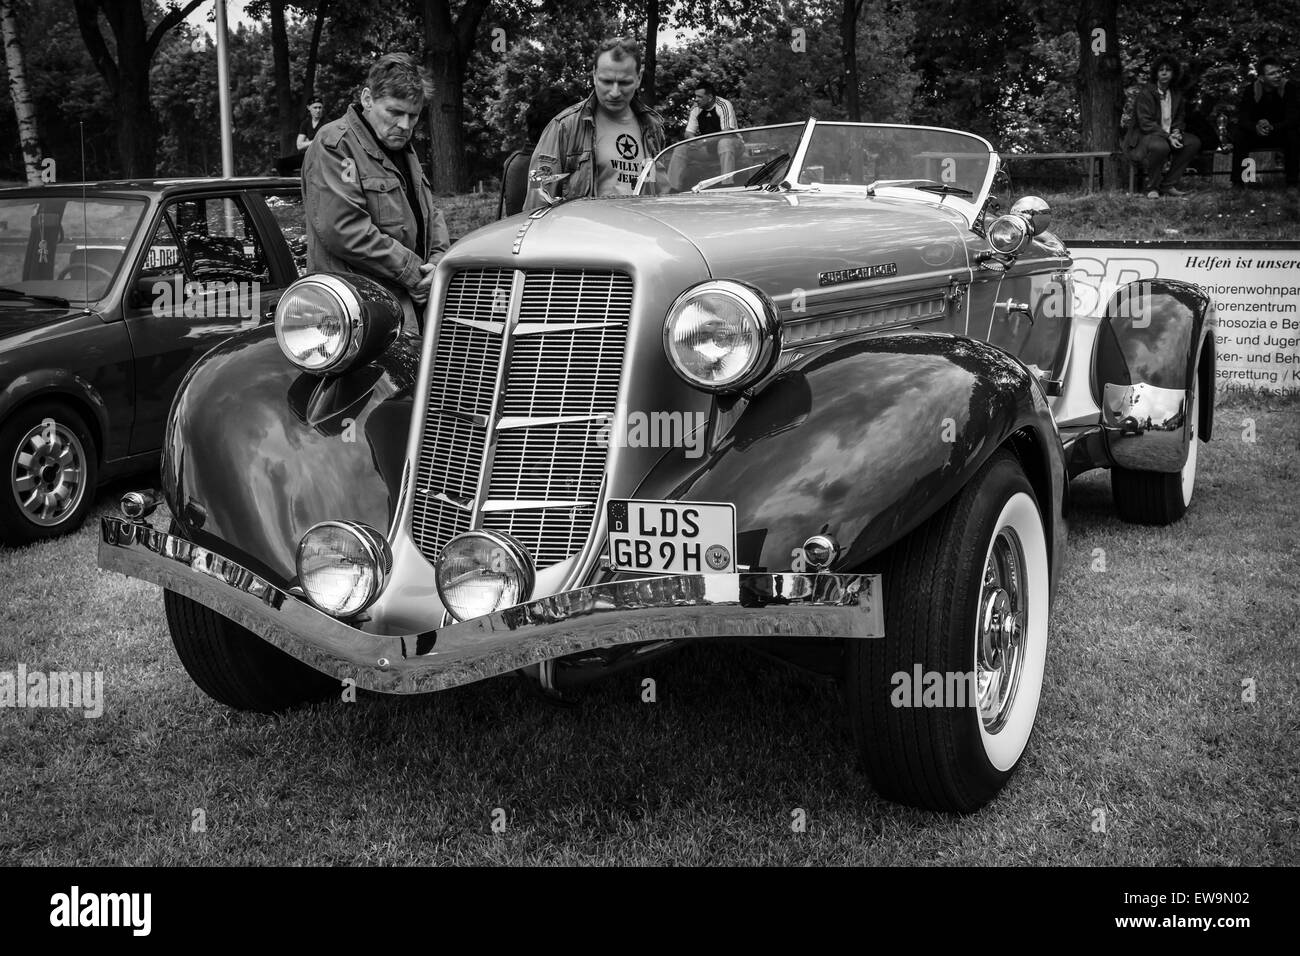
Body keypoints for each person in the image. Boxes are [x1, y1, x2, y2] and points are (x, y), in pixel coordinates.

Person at [302, 54, 449, 321]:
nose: (405, 126)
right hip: (359, 316)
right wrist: (416, 273)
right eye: (394, 112)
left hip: (411, 308)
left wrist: (438, 265)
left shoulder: (402, 147)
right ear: (367, 99)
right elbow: (345, 230)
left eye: (413, 116)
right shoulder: (336, 144)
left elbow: (431, 212)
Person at [525, 38, 667, 211]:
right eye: (606, 81)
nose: (615, 92)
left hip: (640, 234)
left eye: (624, 83)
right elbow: (536, 200)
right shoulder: (563, 127)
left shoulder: (653, 128)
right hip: (586, 236)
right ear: (593, 75)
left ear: (638, 78)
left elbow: (661, 194)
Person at [1123, 54, 1201, 198]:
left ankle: (1168, 185)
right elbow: (1146, 123)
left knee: (1193, 143)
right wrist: (1168, 136)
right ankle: (1151, 188)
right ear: (1156, 73)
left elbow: (1179, 117)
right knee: (1161, 146)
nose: (1164, 73)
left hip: (1168, 136)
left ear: (1174, 73)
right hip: (1145, 138)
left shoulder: (1176, 94)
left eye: (1168, 70)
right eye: (1161, 70)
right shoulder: (1146, 93)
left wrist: (1177, 131)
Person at [1227, 56, 1299, 188]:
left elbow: (1293, 118)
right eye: (1272, 73)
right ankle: (1238, 182)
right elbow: (1243, 118)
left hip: (1280, 132)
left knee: (1293, 134)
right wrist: (1255, 127)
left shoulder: (1289, 88)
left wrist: (1273, 127)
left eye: (1279, 72)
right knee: (1240, 136)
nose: (1278, 76)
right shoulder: (1251, 90)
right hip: (1257, 134)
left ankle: (1293, 183)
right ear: (1261, 78)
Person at [684, 81, 741, 174]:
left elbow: (727, 133)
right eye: (695, 96)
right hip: (707, 148)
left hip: (733, 146)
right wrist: (693, 141)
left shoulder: (724, 105)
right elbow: (688, 133)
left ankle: (727, 185)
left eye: (699, 97)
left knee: (724, 142)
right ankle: (672, 188)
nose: (696, 99)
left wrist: (703, 141)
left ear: (710, 97)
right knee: (681, 149)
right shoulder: (695, 108)